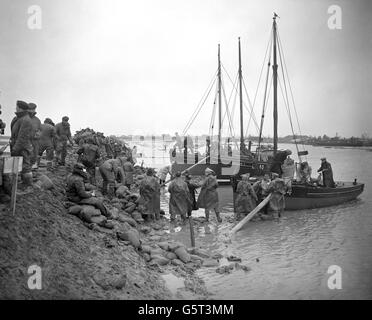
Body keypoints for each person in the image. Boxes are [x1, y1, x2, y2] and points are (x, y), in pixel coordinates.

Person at [9, 101, 34, 187]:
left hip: (22, 147)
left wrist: (15, 149)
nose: (15, 108)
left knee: (26, 166)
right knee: (18, 165)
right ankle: (20, 183)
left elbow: (22, 137)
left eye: (17, 107)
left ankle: (27, 185)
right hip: (17, 145)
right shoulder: (18, 118)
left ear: (20, 108)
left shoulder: (26, 119)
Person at [28, 103, 42, 170]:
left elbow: (40, 130)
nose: (32, 111)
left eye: (33, 109)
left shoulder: (37, 120)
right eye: (30, 109)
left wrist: (38, 134)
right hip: (24, 141)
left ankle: (32, 170)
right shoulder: (20, 118)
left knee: (34, 156)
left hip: (34, 141)